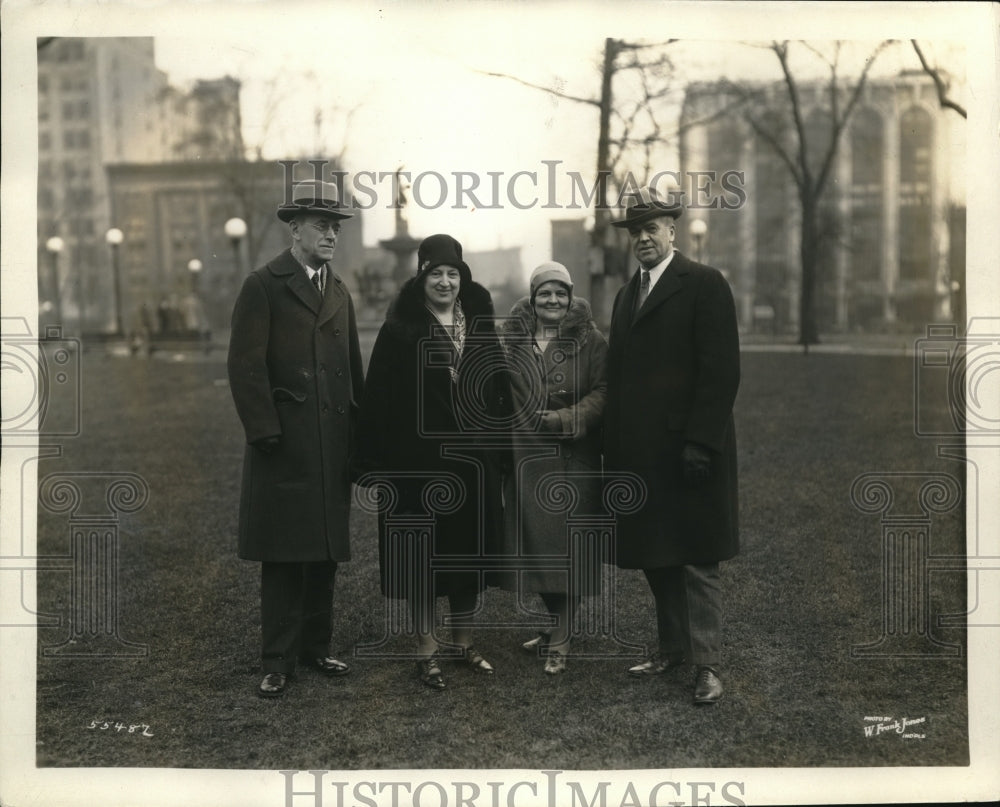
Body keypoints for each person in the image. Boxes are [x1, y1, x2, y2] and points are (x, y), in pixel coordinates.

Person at [227, 179, 365, 698]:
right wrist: (266, 433)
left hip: (331, 442)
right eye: (321, 226)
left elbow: (352, 372)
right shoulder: (263, 284)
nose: (331, 234)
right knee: (284, 555)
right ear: (295, 229)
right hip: (284, 446)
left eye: (335, 226)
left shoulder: (340, 289)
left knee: (324, 551)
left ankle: (316, 647)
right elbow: (244, 367)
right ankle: (278, 659)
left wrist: (358, 438)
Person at [604, 186, 740, 705]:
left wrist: (701, 443)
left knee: (697, 557)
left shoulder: (704, 284)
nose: (643, 238)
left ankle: (706, 666)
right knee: (656, 555)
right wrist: (614, 454)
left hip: (691, 455)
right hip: (642, 455)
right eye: (635, 231)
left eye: (652, 228)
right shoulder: (625, 295)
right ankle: (671, 648)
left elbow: (722, 371)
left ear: (672, 231)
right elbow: (618, 379)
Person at [353, 234, 509, 690]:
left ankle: (463, 643)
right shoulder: (399, 328)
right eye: (435, 273)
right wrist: (373, 464)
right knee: (420, 559)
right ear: (421, 277)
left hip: (472, 463)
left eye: (452, 273)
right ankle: (426, 648)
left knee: (466, 555)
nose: (444, 282)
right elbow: (377, 399)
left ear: (463, 279)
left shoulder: (479, 324)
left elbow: (499, 389)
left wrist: (497, 448)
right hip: (415, 465)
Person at [498, 262, 608, 674]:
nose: (553, 301)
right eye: (545, 293)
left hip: (571, 462)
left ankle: (560, 639)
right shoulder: (513, 342)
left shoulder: (590, 339)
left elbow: (604, 391)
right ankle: (557, 625)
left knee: (567, 556)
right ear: (532, 297)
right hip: (526, 461)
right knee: (535, 551)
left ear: (571, 296)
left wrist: (566, 420)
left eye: (561, 293)